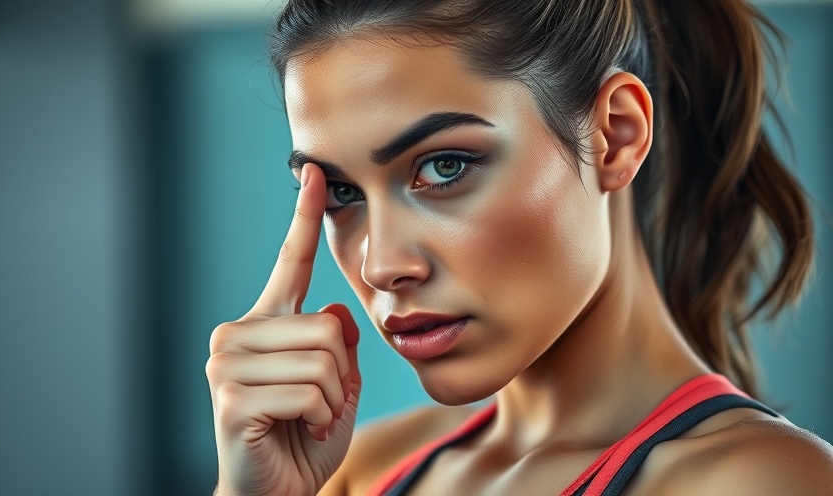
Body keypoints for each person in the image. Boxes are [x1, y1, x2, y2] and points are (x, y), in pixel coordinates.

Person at [205, 0, 833, 494]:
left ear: (614, 137)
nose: (381, 266)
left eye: (445, 167)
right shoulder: (358, 472)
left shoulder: (763, 483)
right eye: (342, 191)